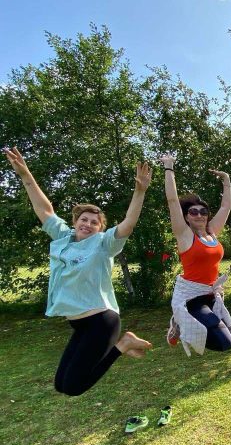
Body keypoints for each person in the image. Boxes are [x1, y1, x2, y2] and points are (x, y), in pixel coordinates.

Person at [3, 146, 153, 396]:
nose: (88, 224)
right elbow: (44, 209)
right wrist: (25, 174)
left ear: (100, 228)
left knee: (73, 387)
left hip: (101, 322)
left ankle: (124, 344)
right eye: (84, 219)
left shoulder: (104, 244)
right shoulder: (63, 237)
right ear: (75, 222)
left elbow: (128, 224)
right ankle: (123, 344)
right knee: (60, 385)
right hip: (80, 325)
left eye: (95, 222)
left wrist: (140, 191)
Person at [160, 154, 231, 356]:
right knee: (222, 343)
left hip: (211, 295)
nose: (200, 215)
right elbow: (172, 200)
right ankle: (180, 323)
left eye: (203, 211)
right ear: (186, 217)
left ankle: (182, 324)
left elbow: (226, 207)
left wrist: (226, 180)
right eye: (194, 212)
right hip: (191, 298)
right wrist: (169, 167)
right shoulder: (185, 236)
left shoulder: (212, 232)